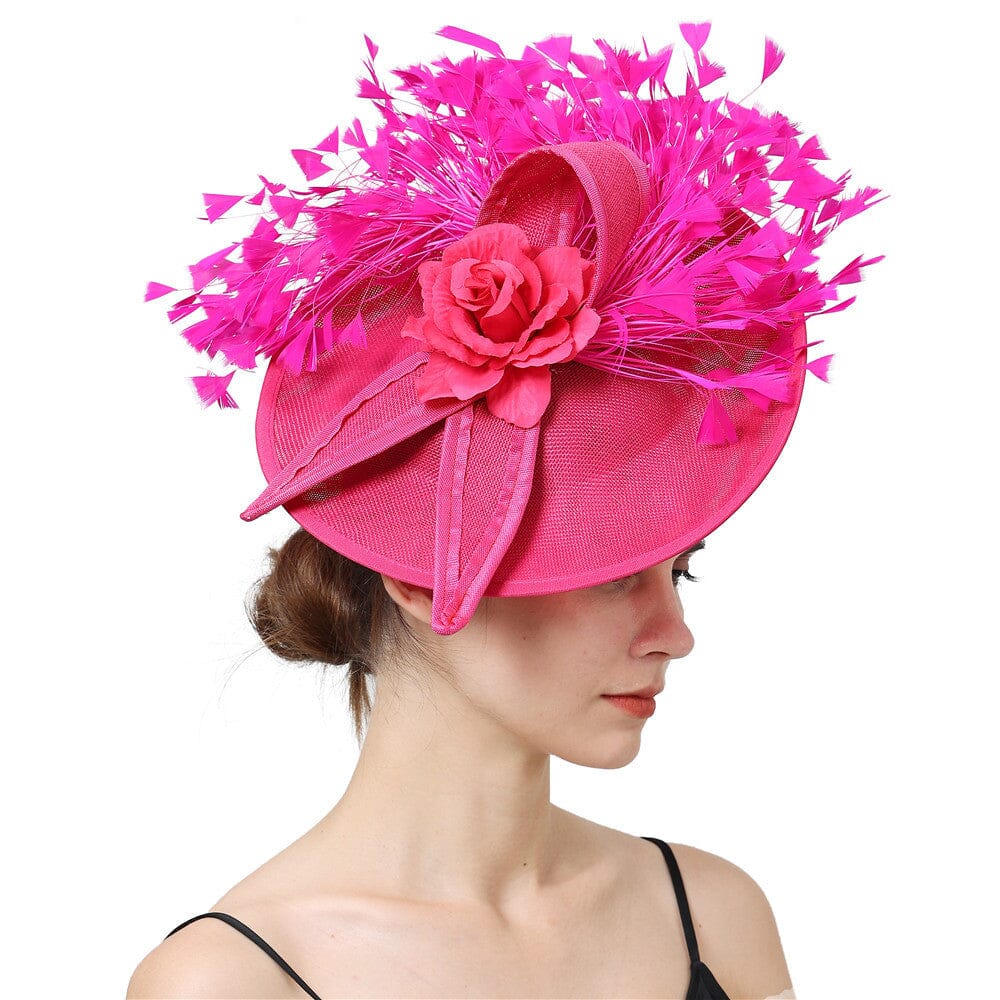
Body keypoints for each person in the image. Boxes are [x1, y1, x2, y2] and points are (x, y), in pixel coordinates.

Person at [129, 23, 880, 998]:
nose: (675, 633)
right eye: (615, 574)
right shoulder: (231, 981)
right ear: (420, 572)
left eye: (677, 568)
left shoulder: (714, 915)